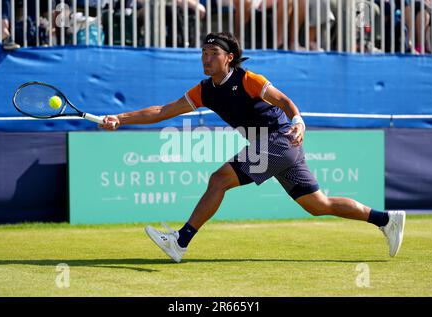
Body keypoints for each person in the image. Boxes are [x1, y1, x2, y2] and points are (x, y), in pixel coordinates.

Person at [99, 32, 406, 263]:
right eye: (203, 53)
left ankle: (180, 241)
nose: (206, 59)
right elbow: (162, 111)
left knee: (219, 179)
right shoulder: (204, 91)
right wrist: (120, 118)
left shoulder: (248, 80)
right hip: (278, 148)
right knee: (318, 205)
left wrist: (298, 120)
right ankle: (387, 220)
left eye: (213, 53)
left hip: (279, 140)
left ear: (229, 57)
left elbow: (284, 101)